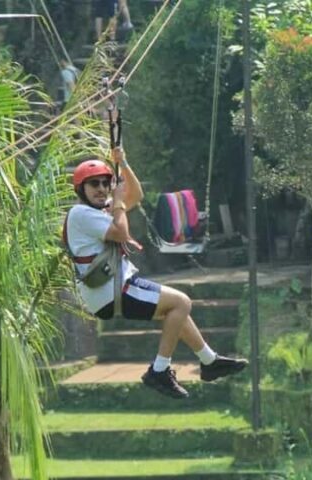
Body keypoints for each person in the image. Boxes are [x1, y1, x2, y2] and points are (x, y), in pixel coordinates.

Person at [64, 148, 247, 398]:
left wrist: (124, 163)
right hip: (114, 290)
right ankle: (159, 370)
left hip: (115, 289)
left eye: (105, 183)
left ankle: (209, 361)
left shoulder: (98, 211)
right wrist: (117, 202)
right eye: (93, 184)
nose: (101, 188)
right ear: (80, 190)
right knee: (182, 303)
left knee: (175, 312)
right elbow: (120, 232)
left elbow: (136, 195)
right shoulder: (81, 213)